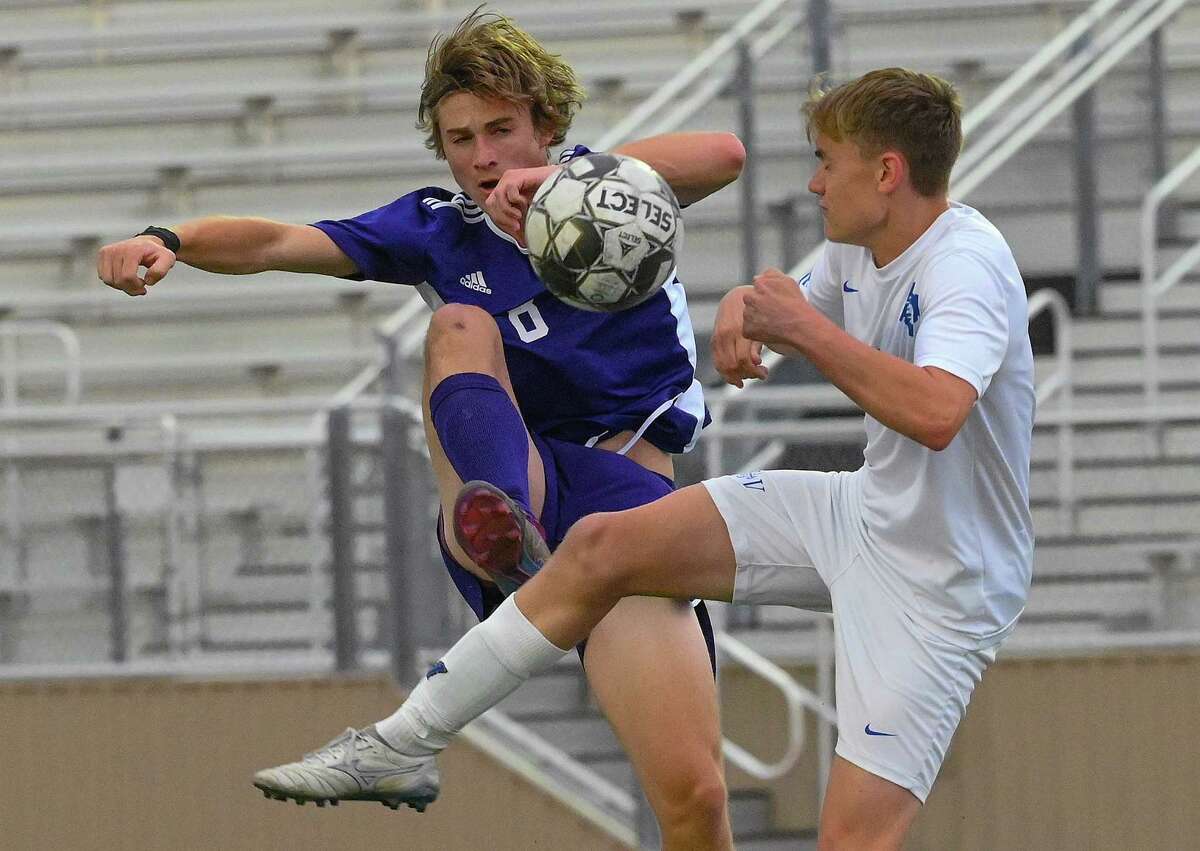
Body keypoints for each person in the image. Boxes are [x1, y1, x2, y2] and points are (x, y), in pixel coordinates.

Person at [254, 66, 1036, 850]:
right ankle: (403, 743)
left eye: (828, 162)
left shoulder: (962, 265)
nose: (813, 183)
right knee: (601, 546)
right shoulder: (859, 247)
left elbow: (936, 412)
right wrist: (744, 308)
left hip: (941, 583)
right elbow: (781, 299)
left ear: (887, 172)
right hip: (859, 513)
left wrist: (801, 331)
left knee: (850, 843)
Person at [97, 9, 746, 849]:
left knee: (695, 798)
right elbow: (279, 241)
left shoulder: (607, 190)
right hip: (521, 485)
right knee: (457, 329)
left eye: (502, 129)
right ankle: (502, 525)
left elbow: (725, 155)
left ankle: (514, 561)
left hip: (624, 503)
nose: (482, 156)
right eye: (460, 137)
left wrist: (553, 184)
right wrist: (168, 238)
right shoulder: (438, 227)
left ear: (545, 125)